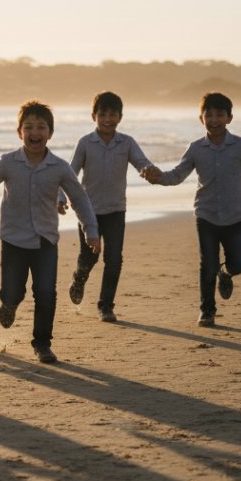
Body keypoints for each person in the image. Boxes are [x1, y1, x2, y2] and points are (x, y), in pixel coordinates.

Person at [0, 100, 99, 364]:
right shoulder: (8, 163)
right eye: (29, 127)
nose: (35, 132)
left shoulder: (59, 167)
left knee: (46, 292)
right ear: (19, 132)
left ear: (50, 133)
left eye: (41, 127)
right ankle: (9, 304)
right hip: (13, 240)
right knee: (13, 291)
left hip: (46, 240)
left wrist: (91, 230)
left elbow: (80, 199)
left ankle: (42, 344)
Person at [143, 92, 241, 327]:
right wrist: (157, 178)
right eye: (209, 115)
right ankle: (207, 310)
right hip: (205, 215)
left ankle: (225, 275)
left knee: (239, 264)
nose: (214, 120)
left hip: (234, 215)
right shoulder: (196, 148)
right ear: (201, 118)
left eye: (220, 115)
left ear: (229, 118)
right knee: (208, 264)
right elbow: (177, 175)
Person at [64, 91, 159, 323]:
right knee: (90, 257)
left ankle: (105, 306)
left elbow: (141, 162)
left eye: (113, 114)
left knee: (114, 259)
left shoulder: (126, 142)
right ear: (93, 116)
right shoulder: (85, 143)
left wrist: (148, 170)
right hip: (89, 212)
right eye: (102, 113)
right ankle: (80, 276)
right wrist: (61, 197)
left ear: (120, 117)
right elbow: (69, 172)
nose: (107, 118)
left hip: (116, 210)